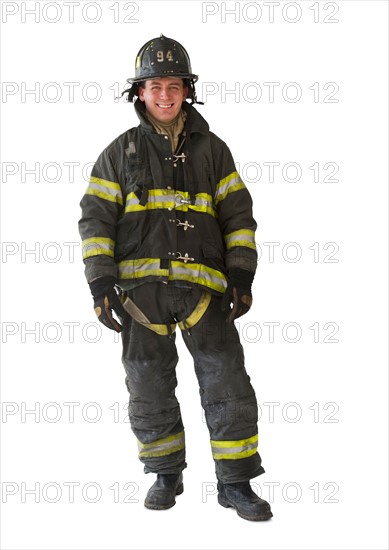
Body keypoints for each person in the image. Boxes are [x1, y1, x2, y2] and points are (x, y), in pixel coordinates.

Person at [78, 34, 272, 522]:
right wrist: (101, 286)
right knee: (147, 384)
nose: (165, 95)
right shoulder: (117, 155)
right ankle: (166, 472)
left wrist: (242, 274)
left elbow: (238, 216)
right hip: (140, 297)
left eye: (174, 85)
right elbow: (95, 220)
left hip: (206, 294)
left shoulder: (215, 151)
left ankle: (235, 482)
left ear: (188, 90)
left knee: (227, 382)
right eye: (155, 86)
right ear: (138, 93)